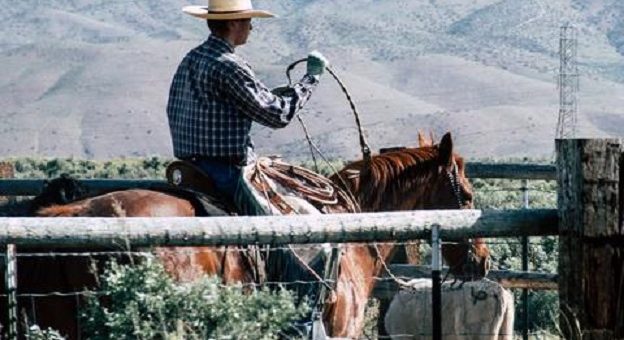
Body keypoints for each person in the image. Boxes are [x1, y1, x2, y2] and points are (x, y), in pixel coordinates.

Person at [167, 0, 328, 215]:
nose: (251, 28)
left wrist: (271, 96)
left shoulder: (192, 58)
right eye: (248, 21)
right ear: (233, 23)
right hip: (225, 172)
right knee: (281, 232)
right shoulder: (229, 65)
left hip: (189, 168)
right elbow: (277, 115)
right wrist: (311, 79)